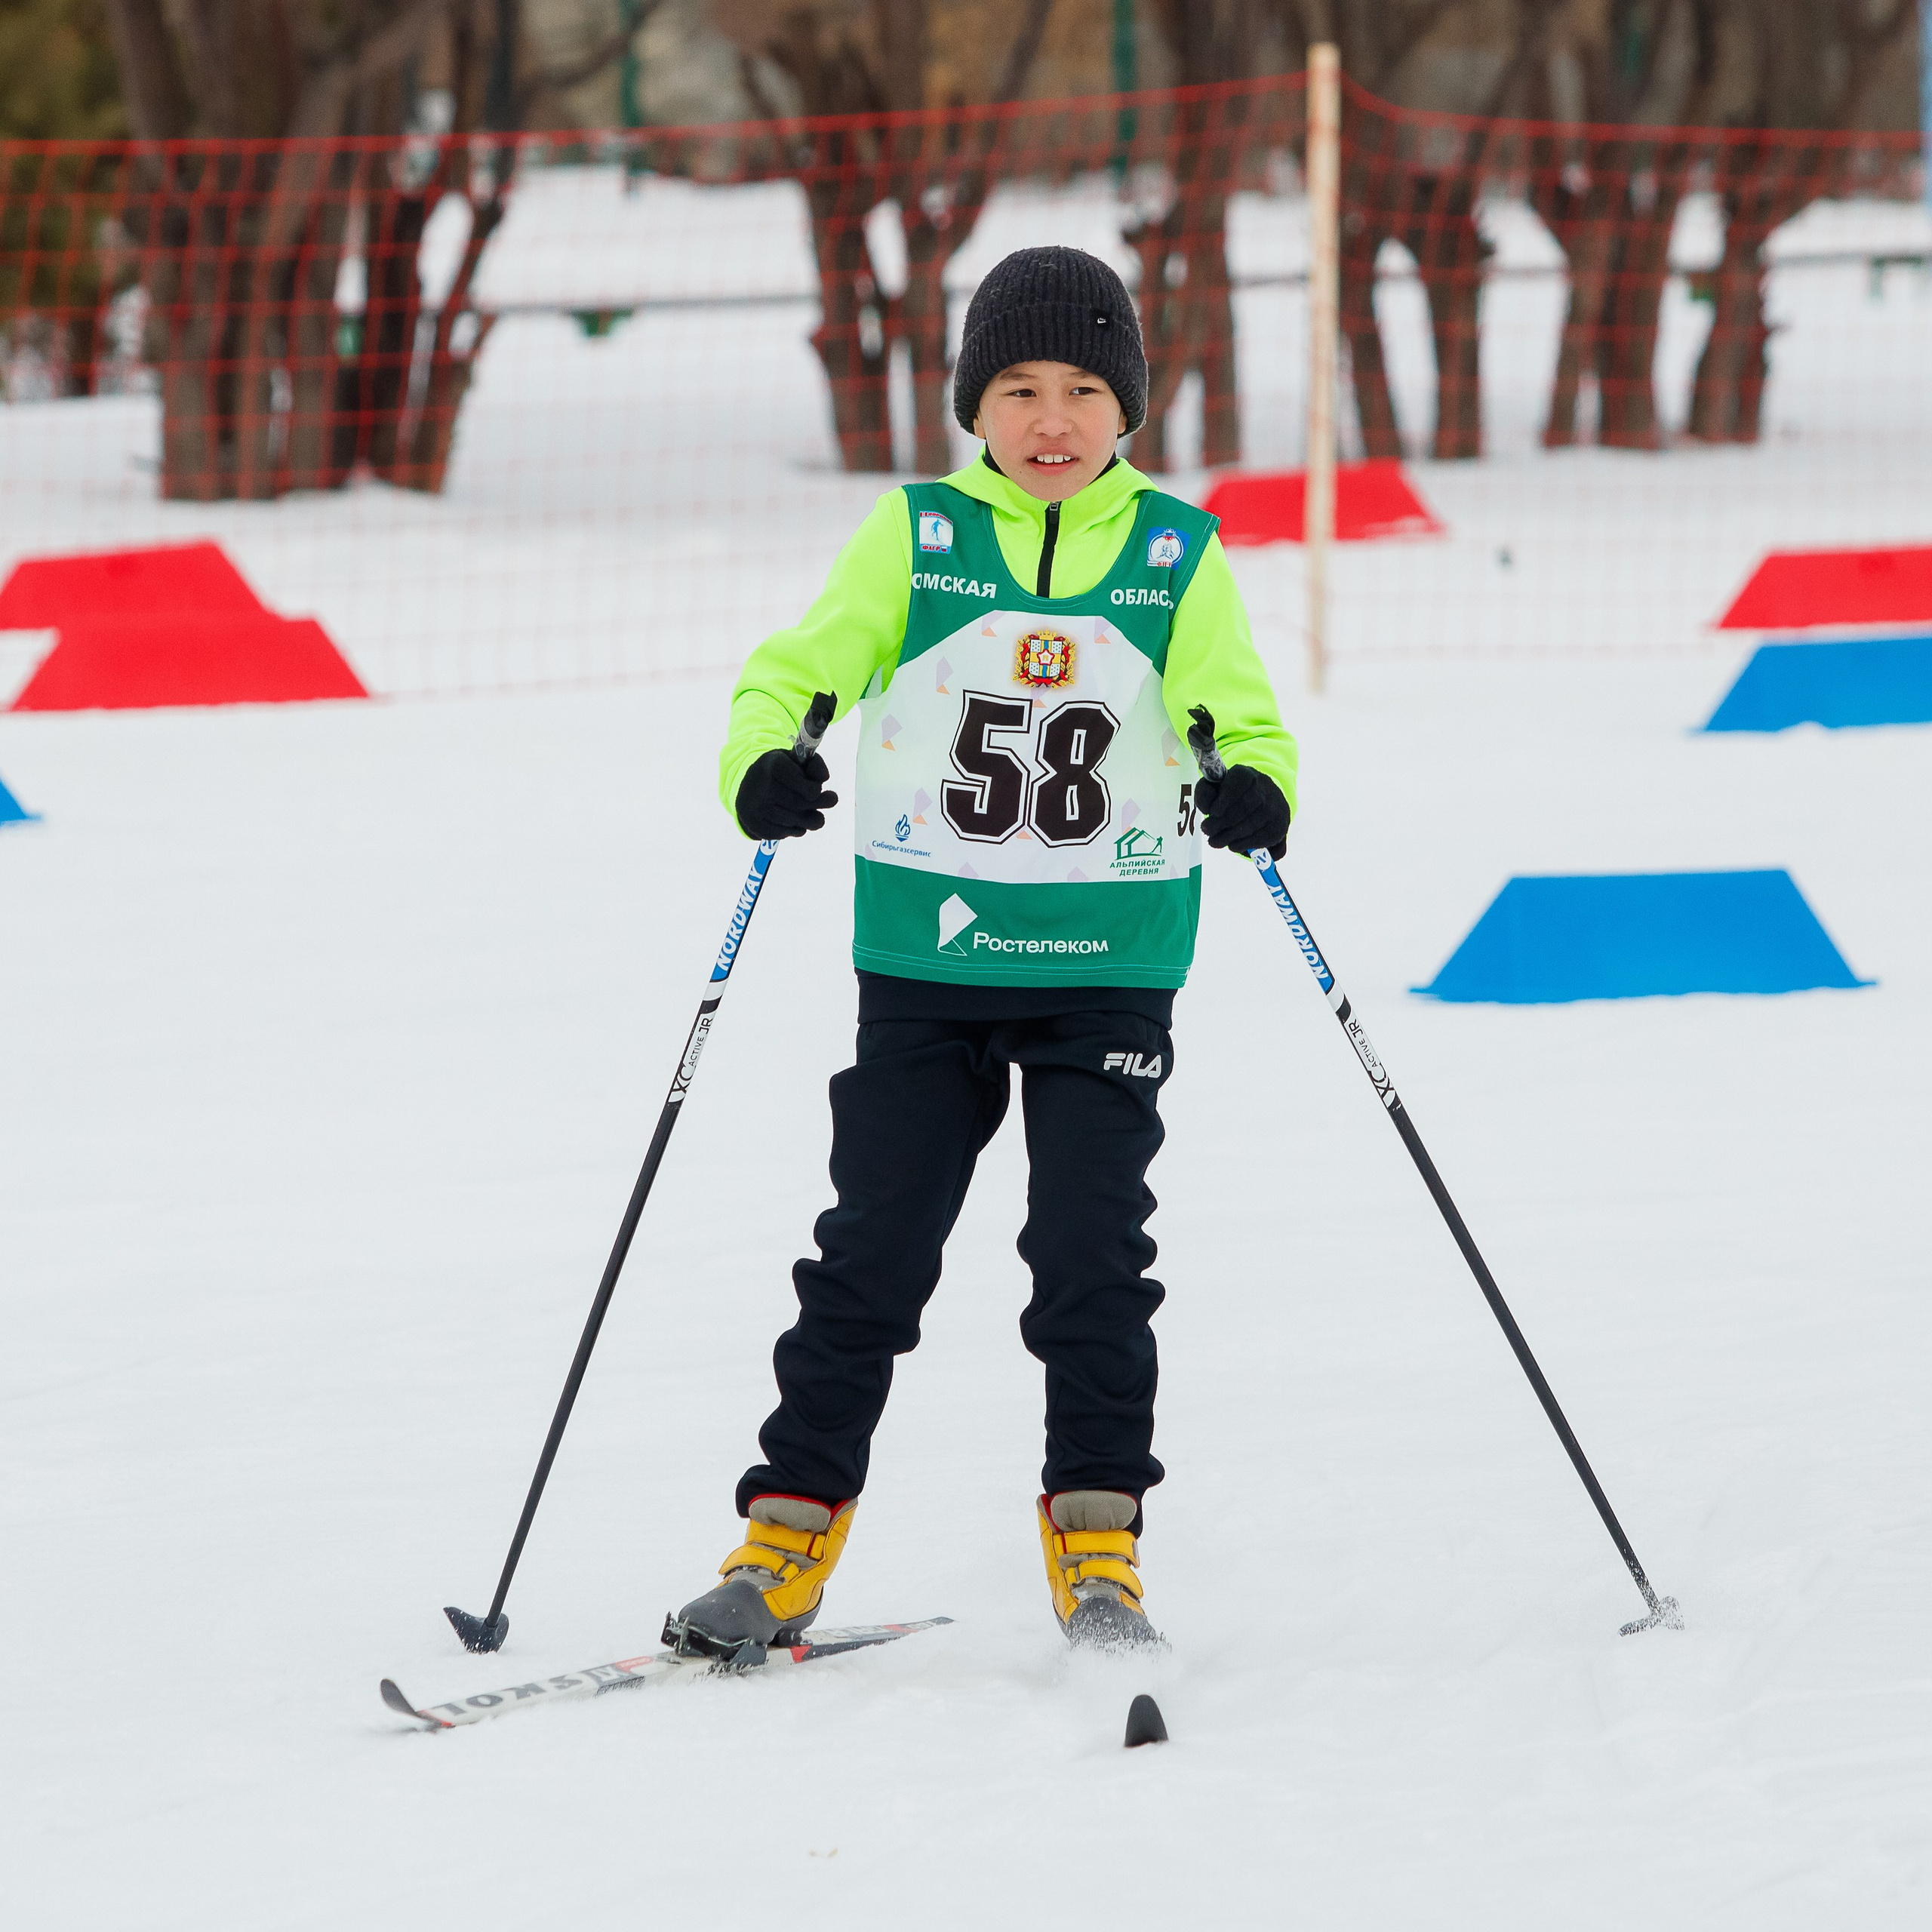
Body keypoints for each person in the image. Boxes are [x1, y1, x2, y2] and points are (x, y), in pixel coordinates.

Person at [667, 245, 1297, 1657]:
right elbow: (795, 671)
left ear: (1127, 405)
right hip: (928, 962)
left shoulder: (1176, 556)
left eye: (1083, 387)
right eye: (1019, 388)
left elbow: (1241, 717)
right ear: (976, 402)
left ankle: (1098, 1546)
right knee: (869, 1255)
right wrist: (767, 759)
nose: (1051, 419)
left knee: (1089, 1260)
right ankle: (783, 1541)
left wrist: (1253, 781)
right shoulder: (915, 538)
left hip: (1106, 964)